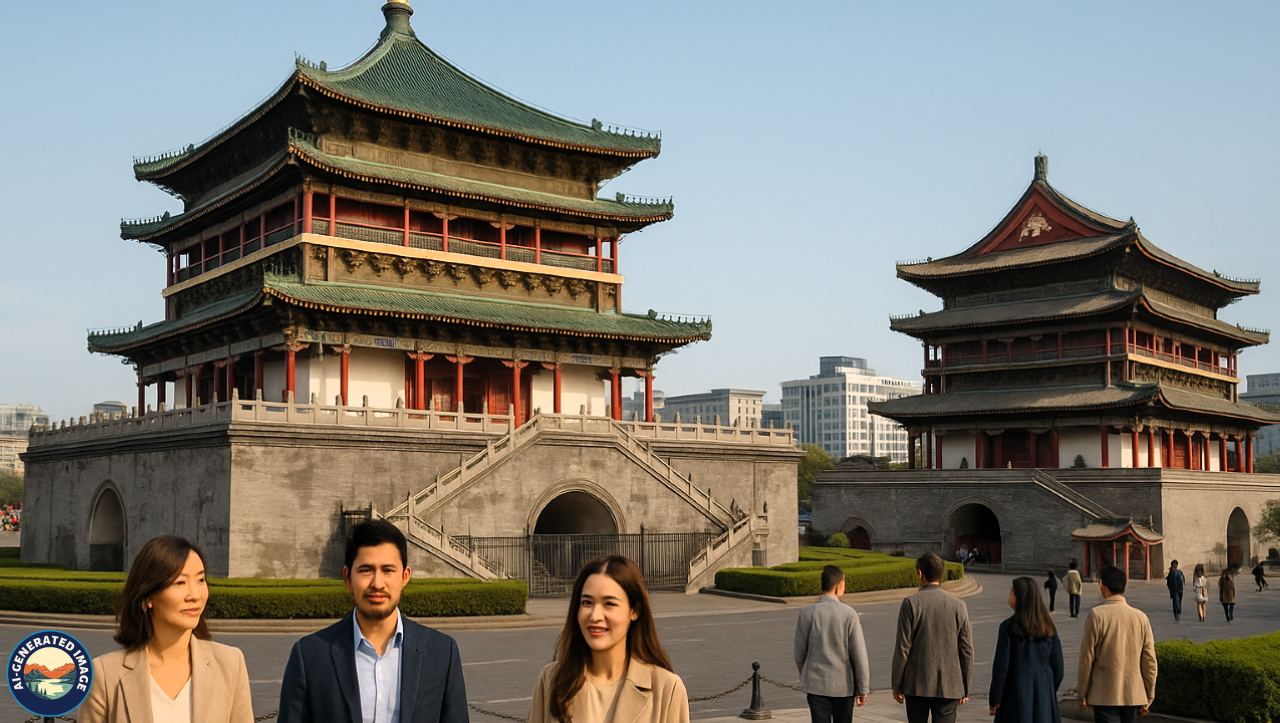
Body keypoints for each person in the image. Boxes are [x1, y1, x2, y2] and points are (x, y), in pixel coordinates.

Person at [278, 519, 468, 723]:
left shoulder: (441, 652)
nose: (377, 584)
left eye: (388, 570)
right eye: (366, 570)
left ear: (405, 577)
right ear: (347, 577)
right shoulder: (310, 655)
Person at [81, 536, 254, 723]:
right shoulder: (105, 674)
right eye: (180, 583)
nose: (195, 595)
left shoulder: (230, 663)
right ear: (147, 597)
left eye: (201, 580)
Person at [528, 555, 688, 723]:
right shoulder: (551, 681)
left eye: (609, 604)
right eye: (587, 602)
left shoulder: (667, 689)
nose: (595, 616)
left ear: (635, 611)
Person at [891, 553, 974, 723]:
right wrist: (965, 686)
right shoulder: (959, 606)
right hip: (950, 684)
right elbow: (966, 649)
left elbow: (903, 648)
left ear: (920, 574)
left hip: (916, 684)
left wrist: (897, 683)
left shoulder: (911, 603)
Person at [1077, 566, 1157, 723]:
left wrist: (1082, 693)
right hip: (1133, 694)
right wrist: (1149, 695)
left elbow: (1087, 659)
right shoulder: (1141, 618)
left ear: (1102, 585)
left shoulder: (1096, 616)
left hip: (1104, 694)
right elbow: (1149, 661)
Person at [795, 565, 870, 723]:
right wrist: (863, 687)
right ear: (838, 586)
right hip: (844, 686)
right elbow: (859, 654)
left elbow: (799, 651)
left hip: (816, 685)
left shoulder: (807, 613)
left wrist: (806, 673)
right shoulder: (849, 614)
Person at [988, 577, 1064, 722]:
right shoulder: (1048, 628)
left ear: (1020, 598)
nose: (1009, 597)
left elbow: (1000, 668)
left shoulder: (1008, 627)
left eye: (1011, 593)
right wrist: (1046, 690)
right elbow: (1058, 668)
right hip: (1044, 700)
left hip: (1015, 697)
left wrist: (995, 699)